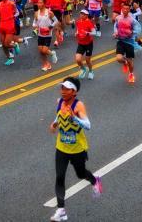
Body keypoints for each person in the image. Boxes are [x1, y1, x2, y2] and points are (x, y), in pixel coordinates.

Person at [49, 77, 102, 222]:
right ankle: (61, 210)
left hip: (77, 149)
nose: (63, 92)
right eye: (62, 88)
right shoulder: (59, 102)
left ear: (74, 92)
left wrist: (75, 119)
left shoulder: (79, 106)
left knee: (80, 174)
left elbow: (88, 125)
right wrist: (54, 124)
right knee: (60, 176)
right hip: (62, 147)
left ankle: (94, 180)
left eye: (66, 89)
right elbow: (59, 116)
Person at [113, 2, 139, 83]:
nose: (125, 10)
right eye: (124, 8)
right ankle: (124, 63)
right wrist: (116, 33)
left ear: (129, 10)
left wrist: (132, 33)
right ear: (122, 9)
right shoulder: (118, 18)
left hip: (129, 42)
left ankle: (131, 74)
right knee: (119, 58)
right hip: (121, 40)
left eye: (127, 9)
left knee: (130, 61)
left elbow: (137, 29)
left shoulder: (132, 20)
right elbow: (116, 27)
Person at [33, 0, 58, 72]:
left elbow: (56, 21)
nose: (39, 4)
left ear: (44, 4)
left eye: (40, 3)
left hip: (47, 35)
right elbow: (34, 22)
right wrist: (35, 26)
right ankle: (46, 64)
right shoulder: (36, 13)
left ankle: (52, 53)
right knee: (41, 51)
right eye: (38, 3)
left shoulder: (49, 12)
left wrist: (50, 27)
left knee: (44, 50)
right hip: (40, 34)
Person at [74, 10, 96, 80]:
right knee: (78, 59)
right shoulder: (78, 22)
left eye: (83, 14)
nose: (81, 15)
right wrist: (76, 32)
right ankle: (83, 69)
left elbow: (94, 32)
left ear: (86, 15)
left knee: (87, 60)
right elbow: (78, 29)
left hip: (88, 43)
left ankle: (91, 71)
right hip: (81, 43)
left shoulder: (89, 22)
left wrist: (87, 33)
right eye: (81, 14)